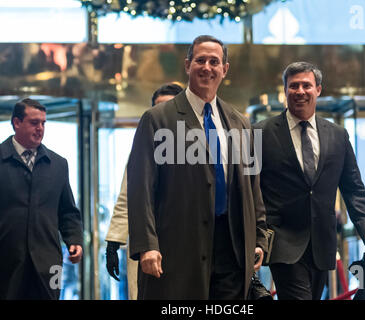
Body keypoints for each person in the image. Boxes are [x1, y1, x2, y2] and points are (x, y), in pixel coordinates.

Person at [127, 35, 268, 299]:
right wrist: (147, 245)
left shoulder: (241, 123)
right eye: (200, 60)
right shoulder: (157, 119)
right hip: (176, 249)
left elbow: (253, 188)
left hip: (232, 251)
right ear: (187, 65)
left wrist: (260, 239)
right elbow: (140, 189)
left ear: (224, 69)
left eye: (214, 62)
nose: (207, 67)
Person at [254, 61, 365, 300]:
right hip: (283, 243)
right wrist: (256, 236)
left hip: (322, 244)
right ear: (285, 90)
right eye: (294, 86)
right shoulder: (260, 133)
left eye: (306, 85)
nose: (300, 91)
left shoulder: (337, 135)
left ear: (318, 90)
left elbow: (354, 188)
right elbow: (251, 191)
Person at [105, 83, 183, 300]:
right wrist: (114, 242)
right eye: (158, 109)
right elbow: (128, 195)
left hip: (187, 242)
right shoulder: (143, 146)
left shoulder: (198, 147)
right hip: (146, 242)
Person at [0, 98, 83, 300]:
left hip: (48, 263)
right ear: (16, 123)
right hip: (6, 261)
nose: (40, 128)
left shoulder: (58, 165)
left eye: (43, 123)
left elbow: (68, 211)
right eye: (34, 122)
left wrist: (74, 240)